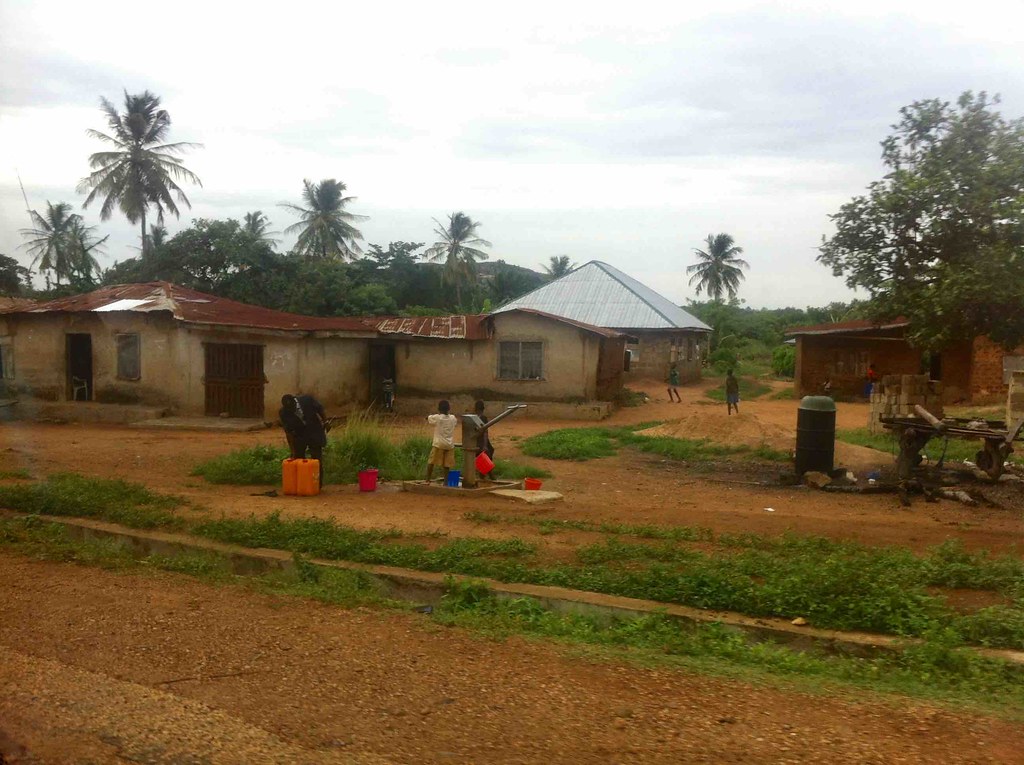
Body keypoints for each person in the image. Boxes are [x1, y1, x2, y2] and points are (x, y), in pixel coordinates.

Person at [279, 393, 327, 487]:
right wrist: (292, 451)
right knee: (298, 458)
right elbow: (288, 432)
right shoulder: (283, 412)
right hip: (299, 435)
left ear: (295, 401)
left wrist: (325, 421)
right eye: (288, 409)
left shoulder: (307, 400)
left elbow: (320, 409)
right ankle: (302, 484)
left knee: (316, 459)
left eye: (292, 408)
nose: (291, 411)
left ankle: (317, 484)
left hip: (314, 432)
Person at [425, 399, 458, 484]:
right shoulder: (453, 418)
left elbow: (428, 418)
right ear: (449, 408)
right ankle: (446, 482)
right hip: (449, 445)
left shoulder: (437, 418)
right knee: (446, 465)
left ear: (439, 409)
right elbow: (455, 423)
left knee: (431, 462)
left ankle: (427, 480)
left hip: (438, 444)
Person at [474, 399, 495, 464]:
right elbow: (485, 432)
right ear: (483, 409)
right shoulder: (483, 418)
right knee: (489, 451)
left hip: (475, 440)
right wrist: (485, 445)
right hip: (482, 441)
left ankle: (482, 470)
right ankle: (486, 471)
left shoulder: (474, 418)